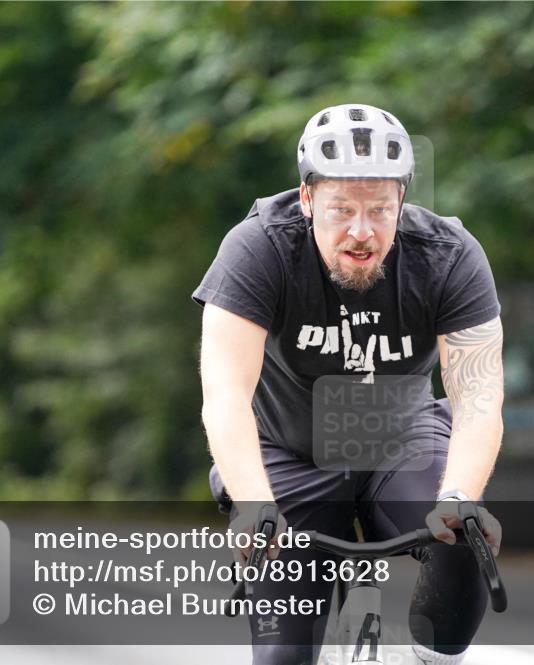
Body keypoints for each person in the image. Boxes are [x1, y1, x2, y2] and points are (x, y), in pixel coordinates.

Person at [193, 103, 504, 665]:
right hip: (287, 452)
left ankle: (431, 659)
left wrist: (460, 495)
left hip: (401, 444)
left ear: (401, 201)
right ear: (308, 198)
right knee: (283, 656)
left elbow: (478, 399)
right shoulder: (258, 247)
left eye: (380, 210)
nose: (361, 232)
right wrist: (254, 505)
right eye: (341, 209)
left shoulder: (450, 256)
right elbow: (225, 395)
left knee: (464, 541)